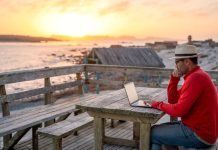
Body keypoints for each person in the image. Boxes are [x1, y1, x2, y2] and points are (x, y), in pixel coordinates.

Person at [146, 44, 218, 150]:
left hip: (199, 134)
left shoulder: (195, 78)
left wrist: (156, 104)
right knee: (157, 134)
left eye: (177, 62)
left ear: (187, 62)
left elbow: (179, 110)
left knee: (152, 133)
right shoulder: (197, 75)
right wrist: (174, 79)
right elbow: (173, 100)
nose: (176, 66)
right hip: (199, 129)